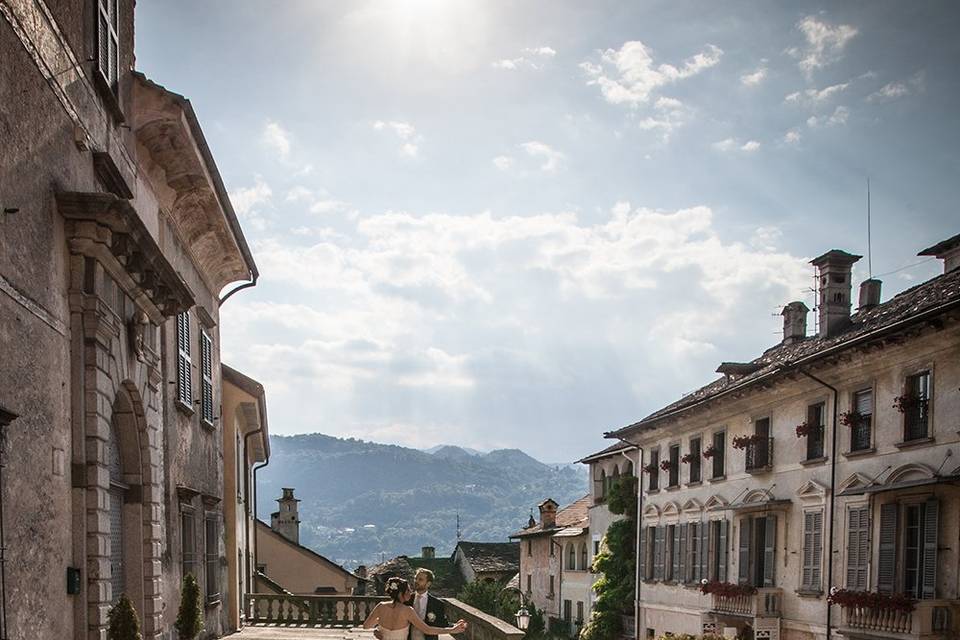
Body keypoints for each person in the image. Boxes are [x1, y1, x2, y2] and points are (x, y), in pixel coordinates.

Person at [364, 577, 467, 640]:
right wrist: (452, 630)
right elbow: (428, 630)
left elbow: (366, 626)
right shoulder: (407, 611)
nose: (411, 593)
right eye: (408, 591)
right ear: (401, 593)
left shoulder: (381, 606)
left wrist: (377, 629)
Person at [410, 568, 448, 640]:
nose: (416, 581)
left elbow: (442, 624)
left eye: (420, 579)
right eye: (415, 578)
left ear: (428, 584)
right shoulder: (407, 600)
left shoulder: (437, 604)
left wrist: (455, 626)